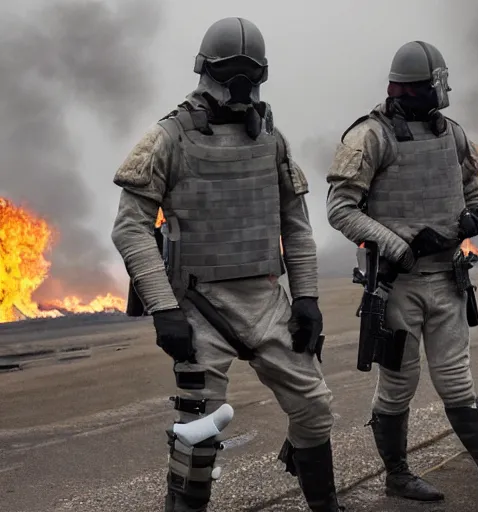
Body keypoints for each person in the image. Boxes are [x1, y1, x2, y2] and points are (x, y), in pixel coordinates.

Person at [111, 17, 343, 512]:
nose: (242, 83)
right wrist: (163, 308)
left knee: (315, 406)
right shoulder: (168, 138)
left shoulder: (272, 141)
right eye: (233, 71)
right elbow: (130, 227)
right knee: (199, 433)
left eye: (249, 72)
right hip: (199, 306)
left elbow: (296, 226)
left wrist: (306, 298)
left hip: (265, 300)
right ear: (209, 70)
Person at [326, 40, 478, 503]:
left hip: (447, 279)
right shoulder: (369, 136)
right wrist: (397, 245)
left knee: (457, 381)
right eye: (438, 82)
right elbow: (341, 209)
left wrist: (477, 218)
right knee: (397, 386)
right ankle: (398, 474)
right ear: (417, 87)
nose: (443, 91)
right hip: (396, 286)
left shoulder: (450, 133)